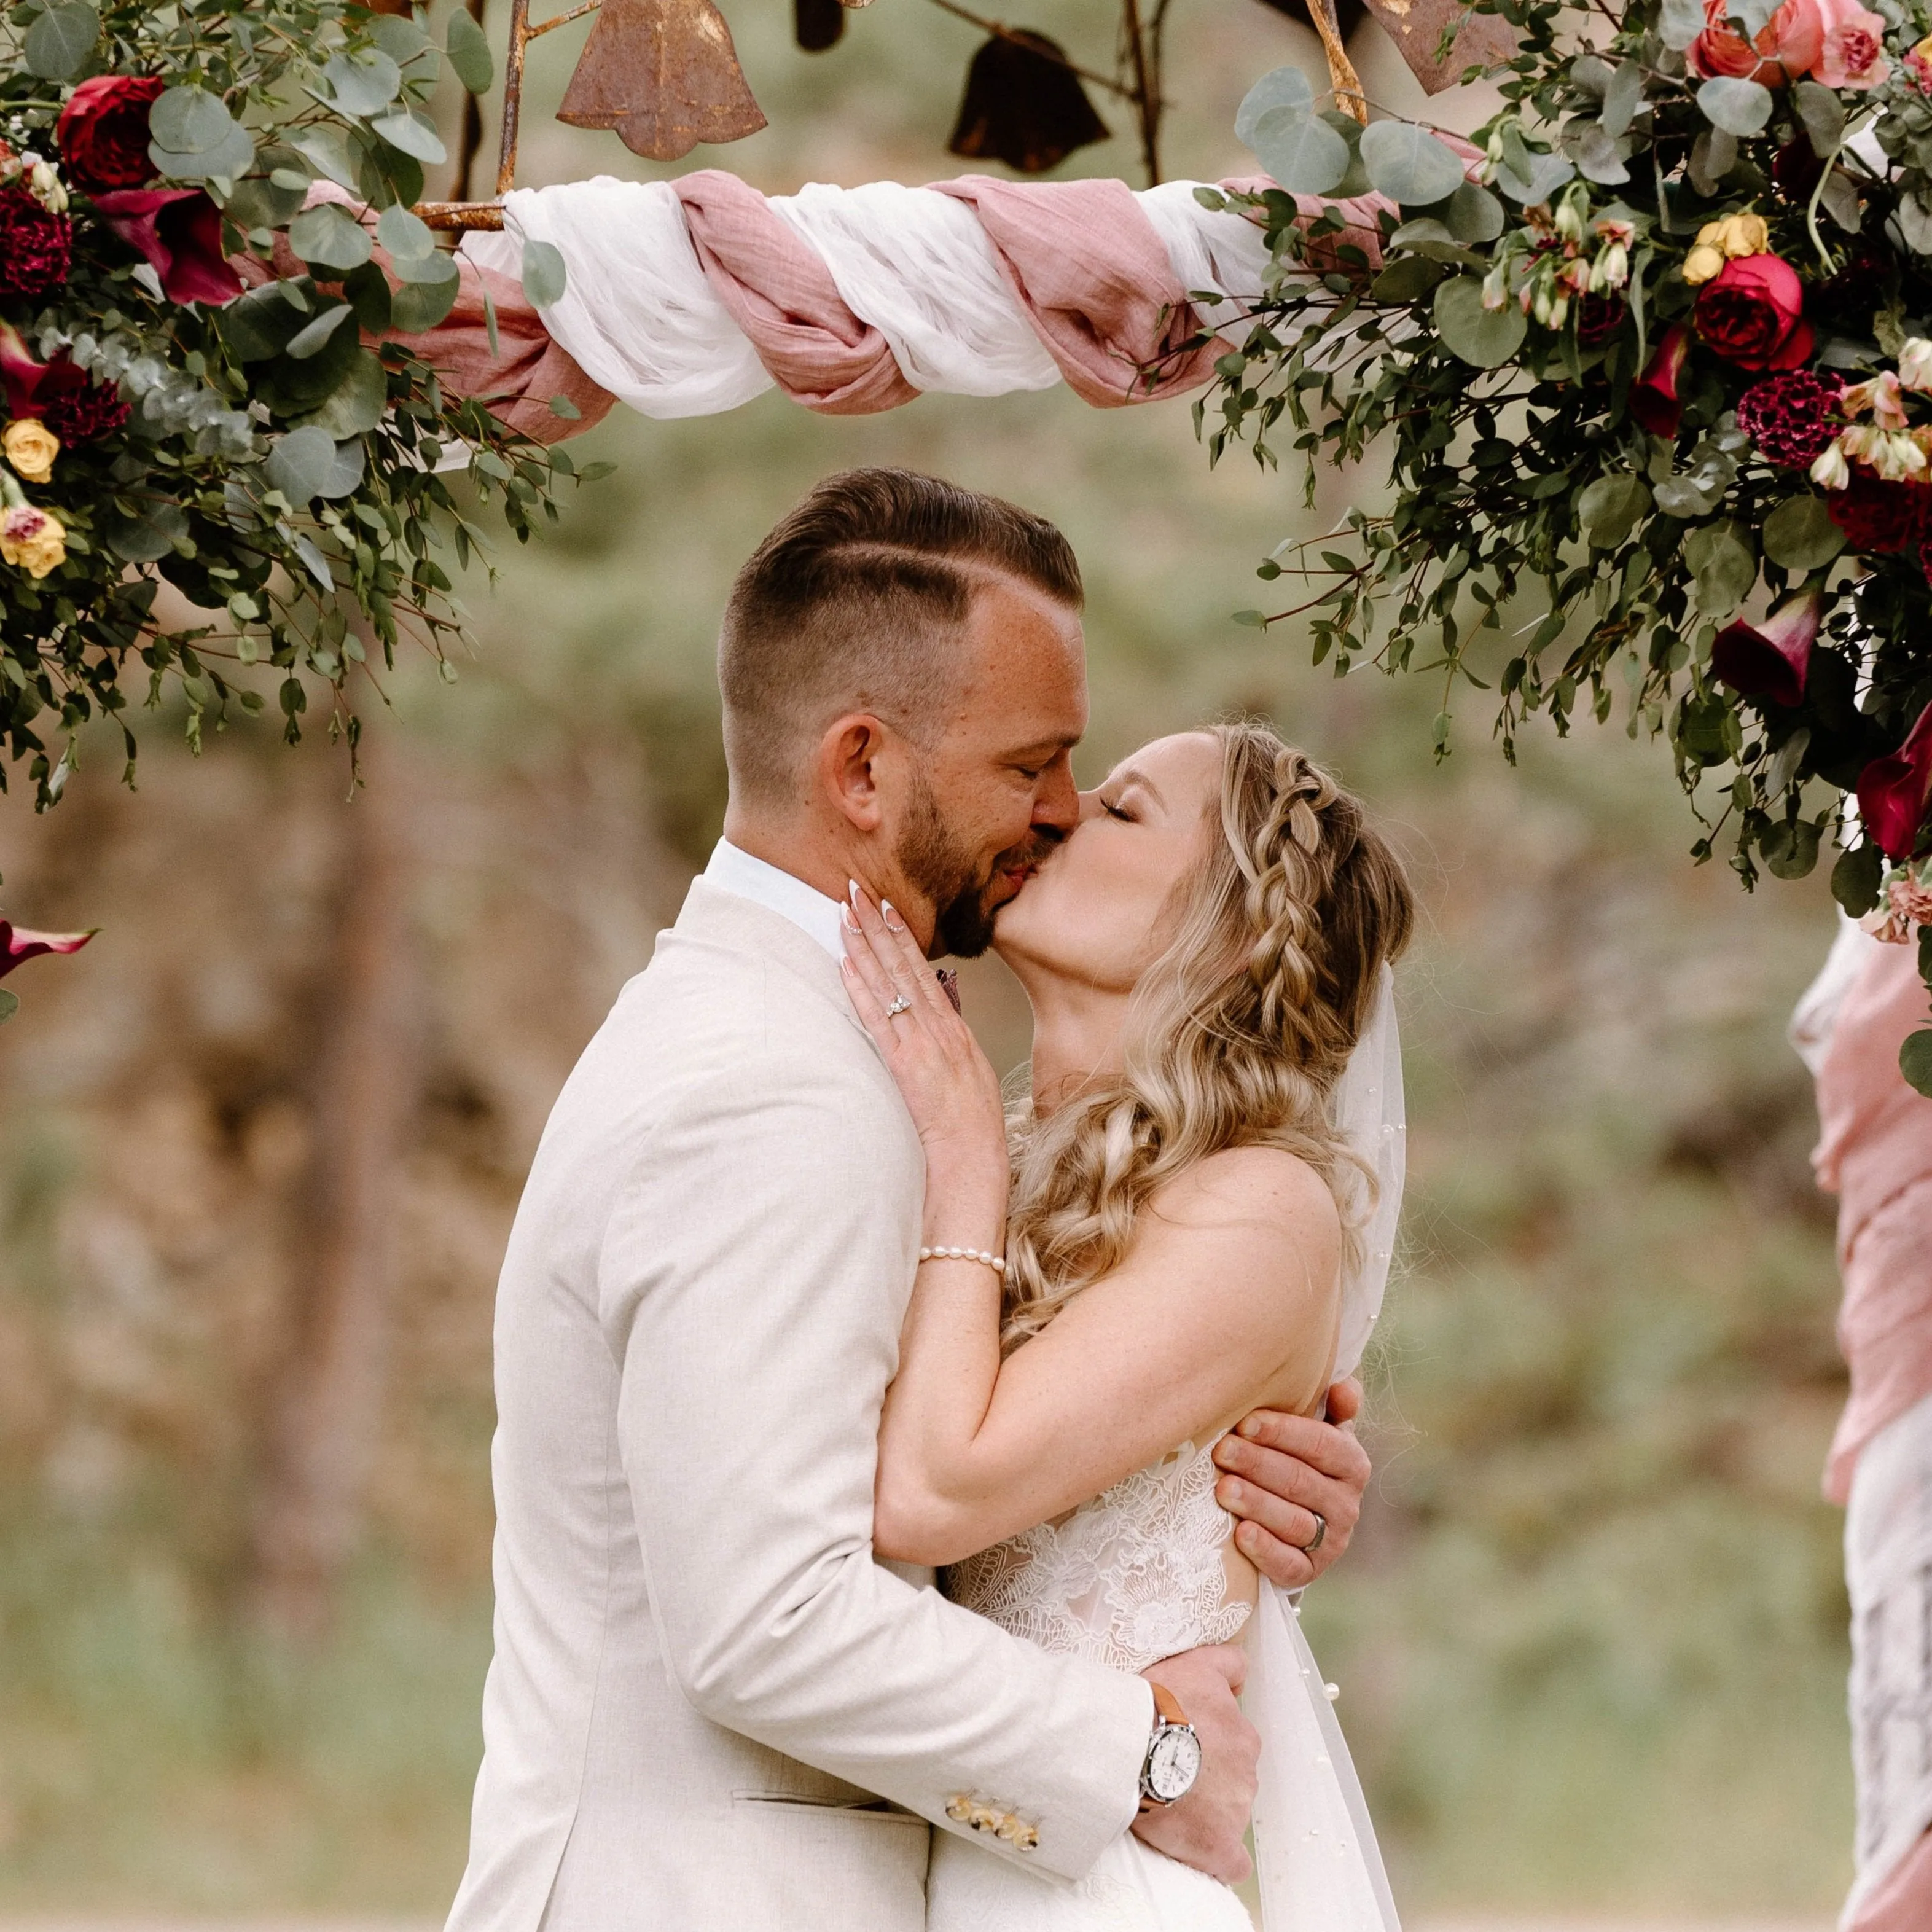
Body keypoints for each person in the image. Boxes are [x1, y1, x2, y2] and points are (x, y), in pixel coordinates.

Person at [441, 467, 1376, 1932]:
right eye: (1034, 766)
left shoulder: (846, 1054)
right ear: (863, 770)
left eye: (1096, 784)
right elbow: (771, 1617)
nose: (1061, 814)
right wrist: (1142, 1747)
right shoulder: (776, 1088)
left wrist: (1216, 1495)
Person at [840, 720, 1411, 1930]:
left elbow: (936, 1488)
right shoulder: (1031, 1183)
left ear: (1238, 928)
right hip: (974, 1862)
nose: (1058, 811)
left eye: (1125, 808)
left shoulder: (1260, 1207)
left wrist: (960, 1155)